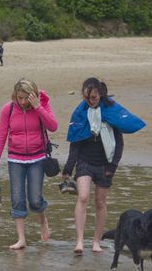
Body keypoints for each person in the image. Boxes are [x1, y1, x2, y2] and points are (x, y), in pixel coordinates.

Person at [62, 77, 145, 254]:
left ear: (100, 95)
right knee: (83, 197)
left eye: (93, 98)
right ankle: (79, 241)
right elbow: (75, 142)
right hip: (84, 162)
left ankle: (96, 241)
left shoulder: (110, 112)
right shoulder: (80, 113)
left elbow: (119, 144)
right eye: (86, 98)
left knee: (100, 202)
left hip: (105, 164)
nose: (90, 101)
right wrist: (68, 168)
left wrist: (112, 167)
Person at [0, 78, 58, 250]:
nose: (23, 101)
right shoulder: (8, 109)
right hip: (15, 160)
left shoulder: (41, 105)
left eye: (26, 97)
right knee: (17, 199)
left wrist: (38, 107)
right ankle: (21, 239)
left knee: (34, 200)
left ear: (33, 95)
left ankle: (43, 220)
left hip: (37, 159)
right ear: (15, 95)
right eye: (20, 97)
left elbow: (53, 126)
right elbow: (0, 136)